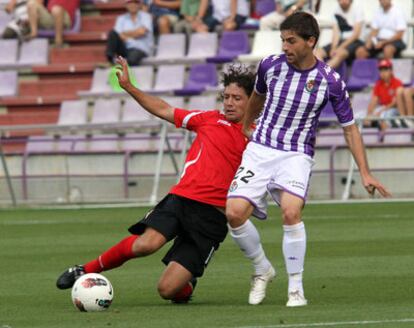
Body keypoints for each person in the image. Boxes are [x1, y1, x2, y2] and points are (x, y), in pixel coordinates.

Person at [56, 57, 256, 304]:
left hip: (212, 217)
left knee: (168, 290)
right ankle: (85, 269)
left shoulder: (259, 136)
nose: (229, 103)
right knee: (146, 244)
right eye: (226, 97)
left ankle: (186, 282)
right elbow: (163, 109)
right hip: (182, 199)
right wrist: (129, 87)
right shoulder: (208, 119)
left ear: (252, 101)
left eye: (236, 98)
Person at [225, 11, 390, 308]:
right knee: (234, 214)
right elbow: (257, 98)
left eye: (291, 41)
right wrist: (247, 126)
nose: (285, 46)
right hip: (261, 148)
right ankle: (262, 269)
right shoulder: (269, 66)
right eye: (283, 40)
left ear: (310, 41)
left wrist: (365, 172)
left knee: (291, 212)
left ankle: (296, 289)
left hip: (297, 154)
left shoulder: (330, 81)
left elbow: (350, 128)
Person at [314, 0, 364, 69]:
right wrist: (333, 47)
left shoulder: (357, 10)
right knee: (318, 52)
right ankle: (320, 71)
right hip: (341, 41)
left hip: (355, 41)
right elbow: (336, 32)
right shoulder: (336, 11)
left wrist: (340, 47)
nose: (342, 1)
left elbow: (356, 34)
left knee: (339, 53)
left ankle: (323, 73)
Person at [106, 0, 153, 66]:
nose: (133, 5)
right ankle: (110, 60)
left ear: (139, 5)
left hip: (140, 48)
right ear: (126, 5)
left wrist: (126, 34)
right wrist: (136, 33)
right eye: (130, 3)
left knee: (132, 60)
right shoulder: (121, 18)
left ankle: (121, 67)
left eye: (135, 3)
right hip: (126, 47)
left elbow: (142, 32)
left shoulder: (146, 16)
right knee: (112, 33)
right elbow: (118, 35)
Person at [364, 59, 408, 130]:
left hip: (394, 109)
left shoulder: (397, 82)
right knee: (364, 117)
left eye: (385, 69)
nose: (383, 72)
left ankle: (386, 138)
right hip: (383, 107)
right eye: (381, 70)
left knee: (384, 116)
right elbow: (374, 101)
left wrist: (381, 111)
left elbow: (395, 103)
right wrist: (368, 115)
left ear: (391, 71)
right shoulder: (378, 84)